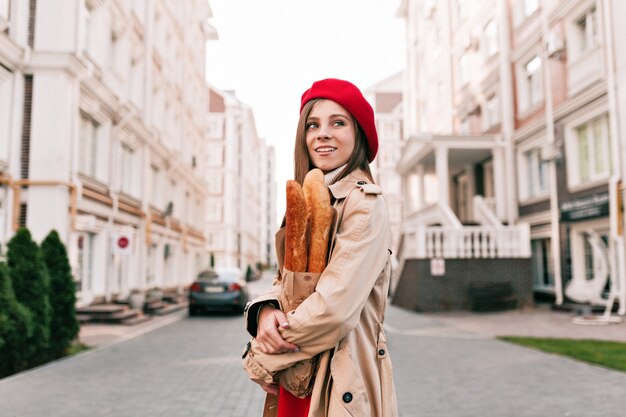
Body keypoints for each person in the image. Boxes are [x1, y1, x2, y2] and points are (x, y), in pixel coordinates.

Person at [243, 78, 398, 417]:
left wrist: (261, 357)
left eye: (337, 123)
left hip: (338, 382)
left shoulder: (364, 204)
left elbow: (334, 310)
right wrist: (265, 311)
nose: (322, 134)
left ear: (359, 134)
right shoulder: (306, 201)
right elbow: (286, 283)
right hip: (298, 375)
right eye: (312, 125)